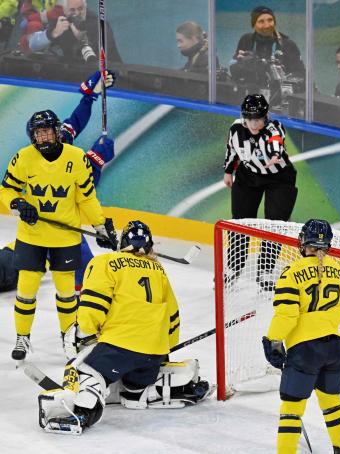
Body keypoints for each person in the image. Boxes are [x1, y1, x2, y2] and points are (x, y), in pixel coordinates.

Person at [37, 220, 210, 434]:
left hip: (121, 347)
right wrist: (166, 349)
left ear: (122, 243)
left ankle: (84, 411)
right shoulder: (158, 270)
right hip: (154, 353)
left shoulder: (106, 262)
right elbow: (172, 315)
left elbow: (93, 304)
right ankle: (139, 392)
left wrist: (84, 331)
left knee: (84, 370)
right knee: (130, 382)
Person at [0, 108, 118, 361]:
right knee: (25, 291)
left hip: (65, 238)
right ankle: (23, 337)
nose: (43, 137)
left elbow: (86, 197)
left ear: (56, 133)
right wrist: (18, 204)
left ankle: (69, 338)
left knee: (66, 294)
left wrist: (100, 226)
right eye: (38, 133)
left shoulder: (77, 158)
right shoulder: (23, 158)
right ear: (33, 136)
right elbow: (6, 190)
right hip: (31, 237)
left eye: (47, 132)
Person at [0, 68, 115, 296]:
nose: (55, 136)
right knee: (86, 277)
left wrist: (89, 95)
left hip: (55, 230)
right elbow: (82, 188)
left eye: (53, 132)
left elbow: (75, 121)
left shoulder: (60, 142)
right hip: (47, 229)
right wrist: (97, 159)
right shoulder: (36, 157)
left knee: (80, 272)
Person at [262, 219, 340, 454]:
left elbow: (287, 313)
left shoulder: (291, 272)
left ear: (303, 241)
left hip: (306, 350)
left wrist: (273, 340)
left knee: (292, 408)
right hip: (339, 347)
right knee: (332, 402)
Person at [222, 93, 297, 290]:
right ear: (244, 117)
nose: (255, 124)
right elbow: (231, 150)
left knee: (274, 225)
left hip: (279, 178)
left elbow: (275, 140)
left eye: (259, 119)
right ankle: (233, 267)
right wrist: (228, 172)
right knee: (240, 222)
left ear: (266, 116)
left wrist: (274, 154)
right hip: (248, 176)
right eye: (251, 119)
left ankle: (265, 269)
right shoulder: (236, 129)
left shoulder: (274, 127)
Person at [229, 5, 305, 91]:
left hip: (278, 95)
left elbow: (300, 74)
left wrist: (280, 75)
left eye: (270, 20)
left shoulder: (287, 44)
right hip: (251, 93)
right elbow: (233, 69)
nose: (267, 25)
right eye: (261, 21)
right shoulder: (246, 39)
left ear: (275, 22)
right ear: (253, 25)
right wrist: (240, 63)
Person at [28, 0, 122, 63]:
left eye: (80, 9)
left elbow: (105, 60)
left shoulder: (99, 25)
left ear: (86, 8)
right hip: (71, 74)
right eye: (72, 10)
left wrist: (83, 39)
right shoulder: (61, 22)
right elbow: (32, 45)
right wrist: (53, 33)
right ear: (64, 10)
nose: (77, 13)